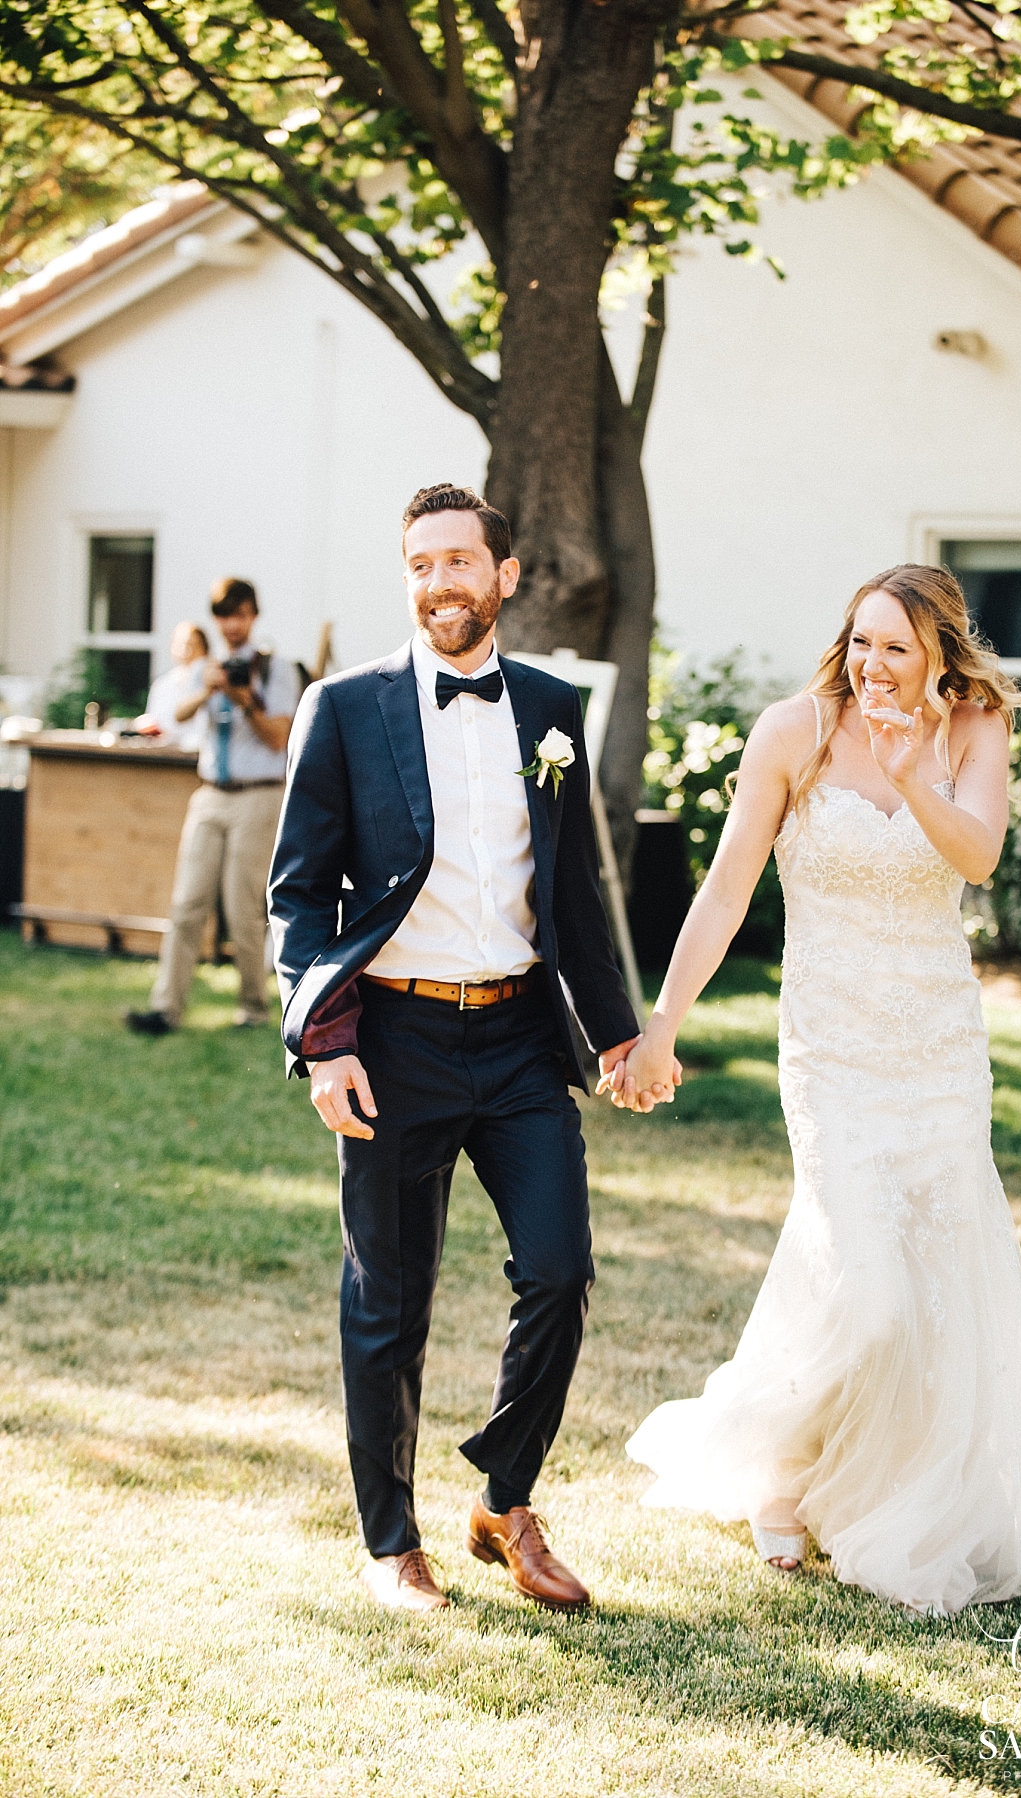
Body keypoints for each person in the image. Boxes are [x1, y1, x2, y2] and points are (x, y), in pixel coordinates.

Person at [612, 564, 1021, 1617]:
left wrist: (912, 777)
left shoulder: (974, 727)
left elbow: (981, 856)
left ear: (941, 655)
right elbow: (726, 887)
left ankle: (870, 1488)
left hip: (940, 1048)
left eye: (896, 648)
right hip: (833, 1048)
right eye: (860, 641)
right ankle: (777, 1472)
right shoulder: (795, 731)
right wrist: (663, 1022)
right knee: (862, 1275)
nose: (871, 665)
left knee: (929, 1281)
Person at [267, 483, 649, 1616]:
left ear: (506, 574)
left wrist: (619, 1032)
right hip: (393, 1036)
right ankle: (393, 1545)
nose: (439, 583)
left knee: (562, 1269)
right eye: (420, 565)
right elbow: (299, 898)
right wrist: (326, 1044)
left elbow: (576, 892)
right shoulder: (344, 707)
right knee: (389, 1301)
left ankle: (504, 1500)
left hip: (523, 1037)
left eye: (459, 563)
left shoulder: (552, 706)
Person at [126, 577, 299, 1036]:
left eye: (240, 614)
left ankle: (252, 1007)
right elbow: (175, 718)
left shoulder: (276, 669)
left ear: (253, 616)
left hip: (259, 793)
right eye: (224, 615)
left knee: (242, 906)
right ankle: (166, 1009)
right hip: (210, 792)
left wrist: (245, 702)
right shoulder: (207, 667)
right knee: (186, 902)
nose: (232, 624)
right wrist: (207, 689)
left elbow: (280, 736)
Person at [137, 620, 210, 748]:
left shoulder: (212, 681)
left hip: (200, 752)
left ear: (204, 649)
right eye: (179, 644)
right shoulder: (162, 684)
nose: (185, 650)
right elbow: (154, 721)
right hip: (166, 754)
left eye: (191, 645)